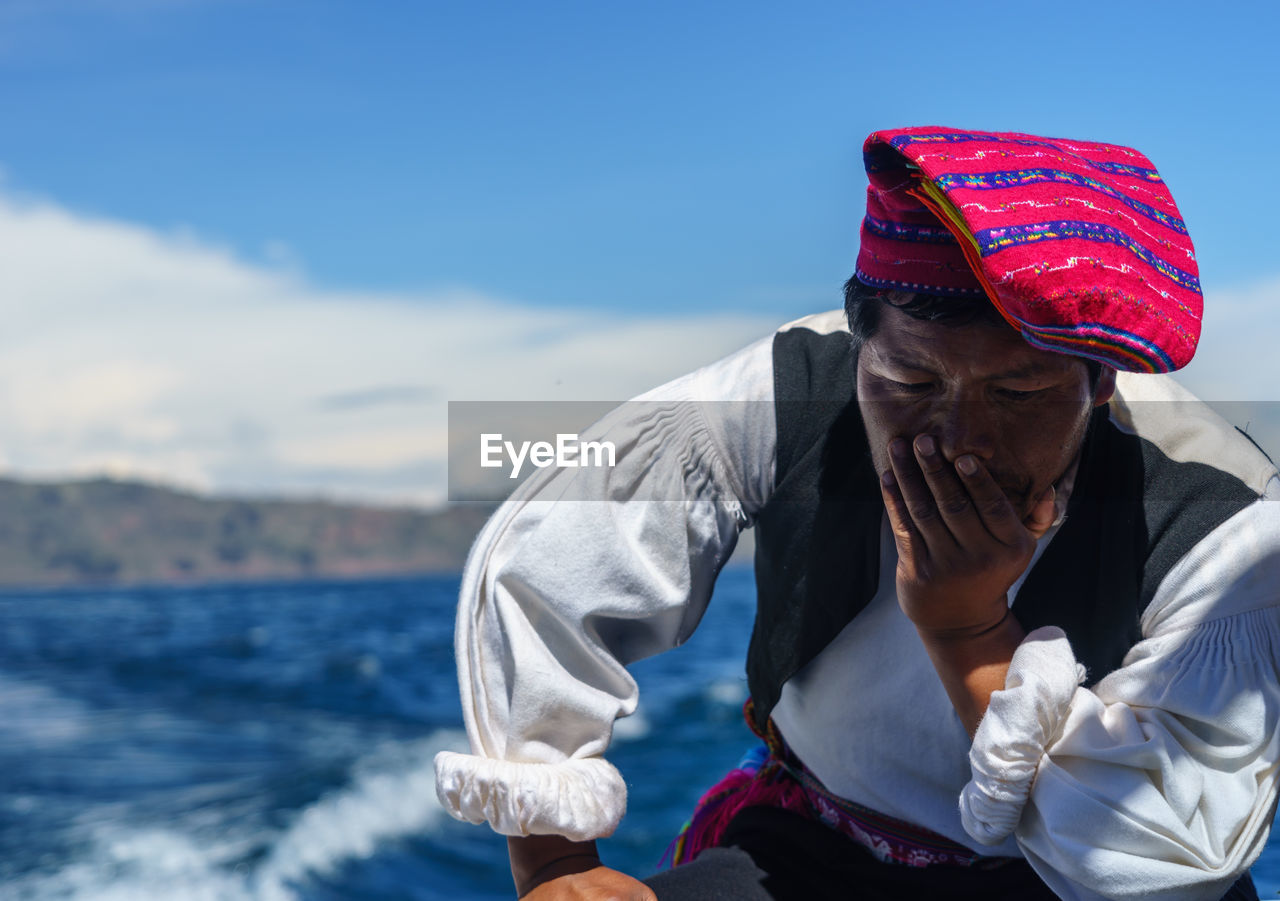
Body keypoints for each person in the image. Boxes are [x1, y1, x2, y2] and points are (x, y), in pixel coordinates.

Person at [434, 127, 1280, 900]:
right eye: (910, 384)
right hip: (816, 847)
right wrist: (552, 862)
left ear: (1101, 382)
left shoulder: (1224, 518)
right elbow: (549, 556)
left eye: (1018, 392)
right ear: (861, 344)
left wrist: (967, 632)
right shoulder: (792, 388)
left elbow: (1163, 858)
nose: (958, 442)